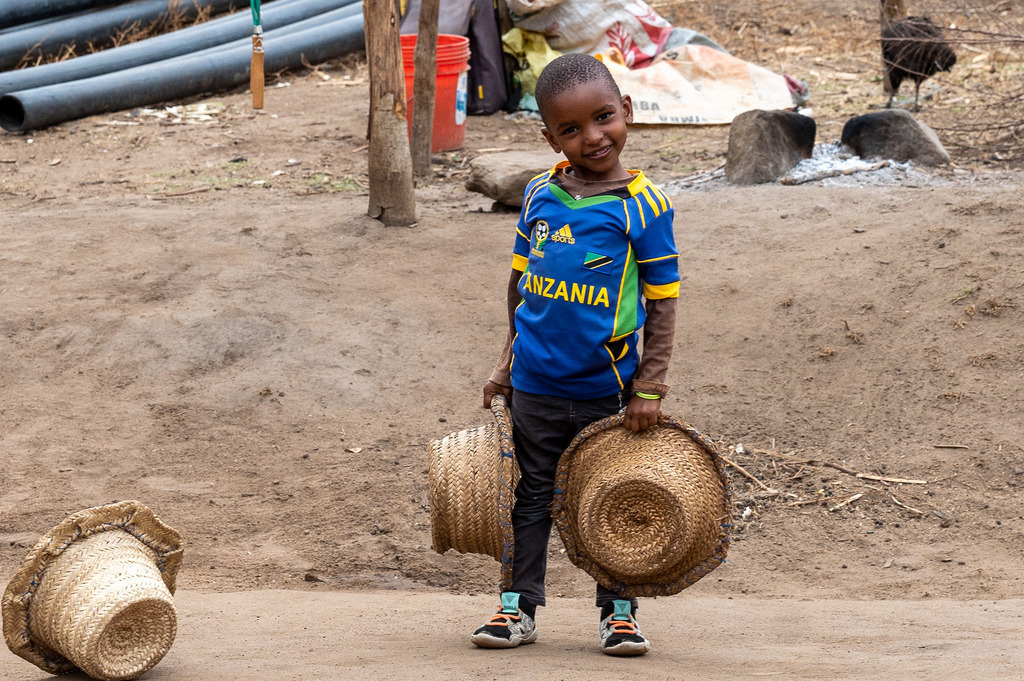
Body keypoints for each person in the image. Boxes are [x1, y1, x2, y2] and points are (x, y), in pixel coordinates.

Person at [470, 53, 680, 656]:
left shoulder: (645, 205)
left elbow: (663, 307)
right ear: (549, 136)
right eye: (570, 128)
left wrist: (648, 388)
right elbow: (520, 290)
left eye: (604, 117)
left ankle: (619, 613)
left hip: (606, 391)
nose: (592, 136)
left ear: (627, 113)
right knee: (528, 497)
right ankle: (517, 608)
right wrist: (506, 363)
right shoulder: (539, 194)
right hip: (535, 383)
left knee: (615, 497)